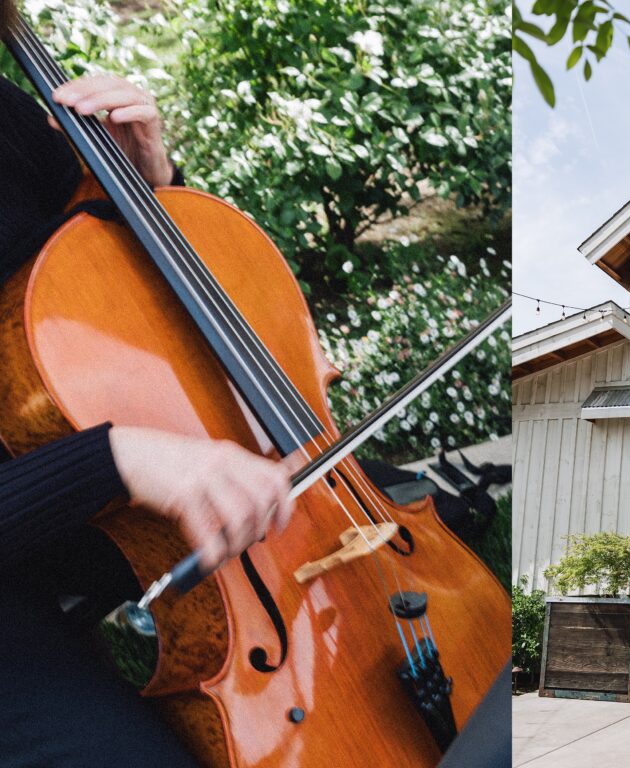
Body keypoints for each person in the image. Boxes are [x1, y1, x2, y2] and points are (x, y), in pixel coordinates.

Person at [1, 6, 295, 765]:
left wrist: (146, 185)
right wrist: (120, 460)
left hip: (81, 514)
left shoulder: (5, 115)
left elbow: (105, 272)